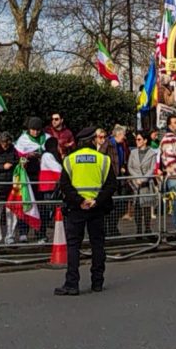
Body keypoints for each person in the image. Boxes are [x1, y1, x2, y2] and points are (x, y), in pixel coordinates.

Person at [54, 127, 118, 296]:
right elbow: (112, 185)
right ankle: (97, 282)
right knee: (97, 244)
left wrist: (80, 201)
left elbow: (65, 186)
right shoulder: (103, 160)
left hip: (77, 208)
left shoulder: (70, 160)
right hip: (97, 208)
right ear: (92, 141)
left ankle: (72, 283)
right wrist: (97, 200)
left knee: (74, 246)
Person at [127, 131, 158, 236]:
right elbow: (130, 166)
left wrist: (144, 179)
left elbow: (152, 168)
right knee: (137, 207)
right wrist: (136, 177)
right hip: (136, 184)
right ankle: (139, 229)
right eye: (136, 139)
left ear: (145, 141)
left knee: (146, 207)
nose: (137, 141)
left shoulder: (152, 153)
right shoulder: (133, 152)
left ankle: (148, 228)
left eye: (139, 139)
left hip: (146, 184)